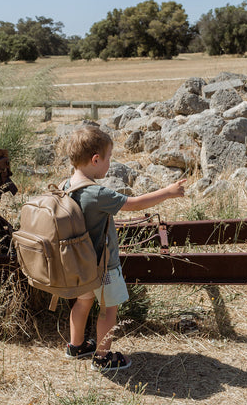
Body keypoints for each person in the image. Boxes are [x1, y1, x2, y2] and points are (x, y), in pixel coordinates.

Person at [64, 125, 186, 371]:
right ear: (95, 160)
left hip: (79, 263)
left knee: (82, 302)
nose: (109, 163)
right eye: (108, 158)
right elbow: (135, 203)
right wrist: (168, 192)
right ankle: (102, 357)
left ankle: (76, 346)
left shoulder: (66, 185)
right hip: (104, 266)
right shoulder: (97, 193)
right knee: (108, 309)